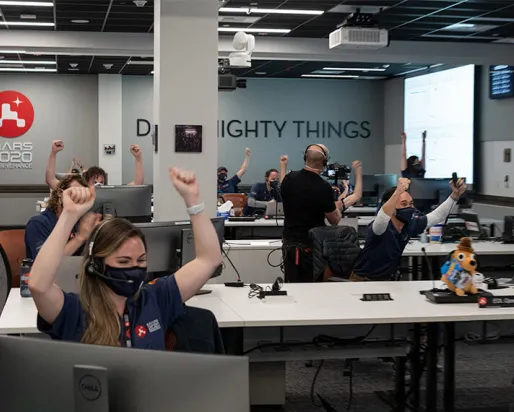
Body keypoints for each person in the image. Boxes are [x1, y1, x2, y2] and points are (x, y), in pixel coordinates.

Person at [29, 167, 222, 349]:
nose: (134, 268)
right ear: (96, 264)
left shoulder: (155, 297)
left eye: (141, 260)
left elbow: (208, 260)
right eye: (123, 261)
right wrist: (69, 216)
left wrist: (194, 202)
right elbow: (38, 285)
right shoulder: (75, 311)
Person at [351, 177, 467, 281]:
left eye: (411, 204)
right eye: (404, 204)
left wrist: (454, 196)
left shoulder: (410, 223)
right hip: (363, 280)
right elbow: (382, 216)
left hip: (388, 280)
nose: (409, 208)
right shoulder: (380, 227)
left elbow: (436, 216)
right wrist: (397, 192)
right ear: (392, 208)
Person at [280, 143, 363, 283]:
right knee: (311, 289)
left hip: (289, 246)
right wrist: (337, 207)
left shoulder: (289, 178)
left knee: (293, 286)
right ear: (325, 162)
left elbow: (282, 185)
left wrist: (283, 165)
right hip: (310, 249)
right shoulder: (323, 187)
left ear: (305, 158)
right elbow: (334, 220)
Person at [25, 175, 101, 260]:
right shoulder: (38, 224)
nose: (78, 199)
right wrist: (79, 238)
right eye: (74, 193)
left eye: (83, 196)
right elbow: (45, 262)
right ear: (60, 193)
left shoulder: (79, 223)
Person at [45, 141, 145, 189]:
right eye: (95, 181)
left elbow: (137, 183)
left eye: (101, 182)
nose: (98, 185)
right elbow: (50, 180)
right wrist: (53, 153)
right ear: (86, 182)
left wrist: (138, 158)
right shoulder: (76, 194)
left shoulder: (110, 194)